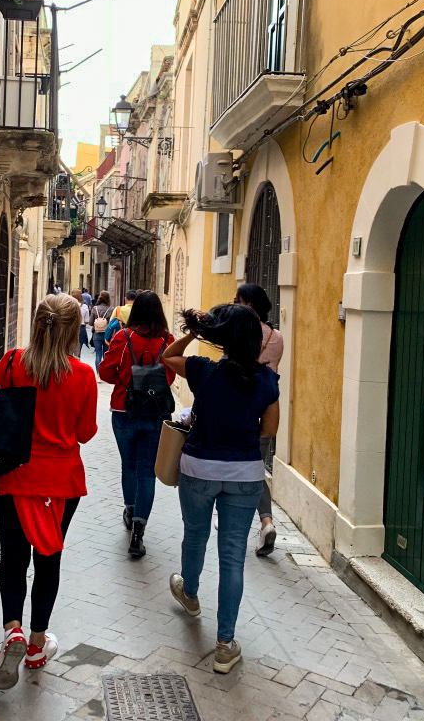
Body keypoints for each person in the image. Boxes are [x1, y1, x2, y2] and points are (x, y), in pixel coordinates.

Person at [161, 304, 279, 674]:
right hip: (245, 474)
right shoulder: (267, 381)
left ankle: (190, 593)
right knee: (232, 558)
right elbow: (269, 431)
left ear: (223, 338)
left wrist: (196, 333)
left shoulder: (203, 371)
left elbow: (168, 355)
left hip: (199, 468)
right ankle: (225, 645)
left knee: (195, 536)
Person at [0, 294, 98, 690]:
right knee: (48, 559)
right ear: (74, 330)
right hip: (62, 482)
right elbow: (85, 433)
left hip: (15, 478)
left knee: (12, 558)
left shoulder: (12, 363)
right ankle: (36, 645)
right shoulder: (84, 376)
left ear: (37, 324)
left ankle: (12, 631)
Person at [98, 291, 175, 558]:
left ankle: (130, 512)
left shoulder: (123, 337)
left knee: (128, 466)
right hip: (155, 413)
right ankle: (139, 532)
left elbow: (106, 371)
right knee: (146, 472)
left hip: (124, 408)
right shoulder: (168, 340)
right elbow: (170, 375)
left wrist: (126, 378)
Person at [235, 283, 284, 556]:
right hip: (268, 410)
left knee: (233, 466)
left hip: (240, 409)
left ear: (249, 305)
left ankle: (236, 522)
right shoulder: (277, 336)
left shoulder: (241, 333)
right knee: (256, 469)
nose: (234, 305)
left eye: (237, 301)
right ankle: (266, 523)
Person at [89, 291, 114, 369]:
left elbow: (90, 323)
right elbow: (112, 323)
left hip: (96, 334)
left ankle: (98, 375)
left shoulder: (95, 308)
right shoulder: (111, 309)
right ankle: (105, 373)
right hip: (107, 335)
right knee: (106, 354)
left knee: (98, 354)